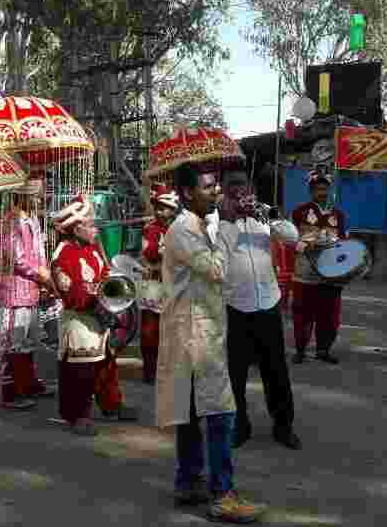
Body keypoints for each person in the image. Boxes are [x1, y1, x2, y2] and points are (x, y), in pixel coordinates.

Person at [157, 162, 264, 523]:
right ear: (188, 193)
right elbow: (217, 268)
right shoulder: (184, 230)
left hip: (198, 330)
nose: (217, 192)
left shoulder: (199, 225)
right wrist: (229, 226)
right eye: (208, 187)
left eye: (216, 185)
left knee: (189, 413)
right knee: (221, 413)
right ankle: (222, 494)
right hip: (195, 335)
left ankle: (188, 482)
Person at [219, 168, 301, 450]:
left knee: (275, 369)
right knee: (235, 373)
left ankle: (283, 425)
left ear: (251, 187)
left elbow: (292, 237)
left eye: (242, 184)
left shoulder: (263, 215)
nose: (237, 190)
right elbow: (217, 254)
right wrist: (230, 219)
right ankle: (238, 427)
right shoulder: (215, 219)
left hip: (267, 303)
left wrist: (269, 216)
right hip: (234, 306)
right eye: (232, 185)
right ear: (224, 188)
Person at [50, 193, 138, 436]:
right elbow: (72, 293)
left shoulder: (92, 250)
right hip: (78, 321)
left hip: (100, 317)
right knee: (80, 373)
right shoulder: (62, 255)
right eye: (90, 225)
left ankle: (112, 405)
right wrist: (99, 297)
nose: (95, 229)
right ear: (74, 228)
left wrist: (110, 291)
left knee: (107, 366)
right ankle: (77, 415)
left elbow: (105, 275)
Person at [0, 179, 56, 410]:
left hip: (31, 288)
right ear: (23, 195)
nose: (39, 199)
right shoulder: (10, 220)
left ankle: (28, 383)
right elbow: (17, 259)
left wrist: (44, 277)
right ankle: (10, 393)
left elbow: (38, 253)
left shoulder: (31, 218)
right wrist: (42, 276)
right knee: (13, 342)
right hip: (15, 290)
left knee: (29, 340)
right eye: (36, 195)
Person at [291, 164, 348, 364]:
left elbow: (343, 243)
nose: (321, 192)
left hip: (330, 274)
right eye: (317, 188)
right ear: (311, 190)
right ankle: (300, 349)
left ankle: (323, 350)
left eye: (324, 188)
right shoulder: (299, 212)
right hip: (305, 272)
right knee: (302, 313)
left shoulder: (338, 215)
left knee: (329, 314)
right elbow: (291, 240)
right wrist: (303, 246)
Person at [139, 183, 178, 385]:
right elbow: (148, 253)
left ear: (173, 208)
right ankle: (149, 370)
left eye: (164, 207)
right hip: (153, 283)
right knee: (149, 331)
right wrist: (163, 249)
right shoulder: (150, 229)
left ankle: (169, 369)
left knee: (171, 330)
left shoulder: (180, 227)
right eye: (158, 207)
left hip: (173, 284)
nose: (160, 211)